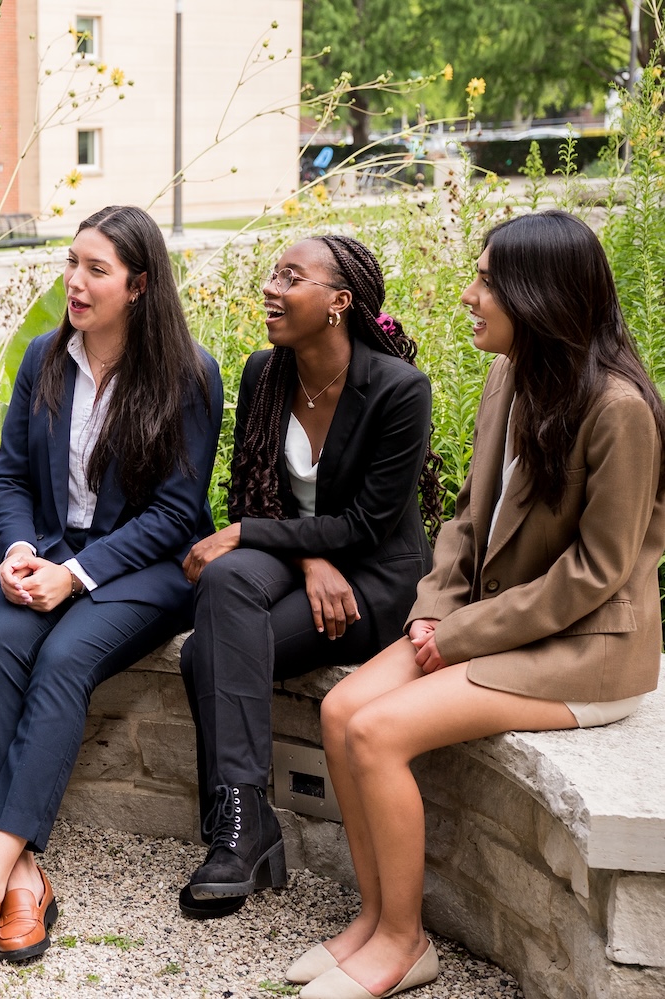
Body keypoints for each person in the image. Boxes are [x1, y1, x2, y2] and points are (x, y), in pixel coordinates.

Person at [297, 210, 665, 999]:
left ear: (539, 296)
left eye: (488, 281)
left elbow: (595, 573)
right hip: (488, 619)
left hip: (587, 649)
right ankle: (373, 917)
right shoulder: (512, 374)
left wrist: (461, 633)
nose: (469, 295)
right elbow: (467, 516)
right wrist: (434, 608)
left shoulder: (620, 409)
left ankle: (404, 942)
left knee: (379, 728)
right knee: (340, 712)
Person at [0, 205, 223, 972]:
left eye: (96, 269)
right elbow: (8, 477)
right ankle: (26, 876)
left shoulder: (187, 374)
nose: (75, 281)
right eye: (72, 262)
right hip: (51, 555)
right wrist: (19, 549)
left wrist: (74, 574)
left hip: (144, 570)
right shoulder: (43, 357)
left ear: (138, 284)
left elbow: (176, 511)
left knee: (65, 656)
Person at [176, 234, 441, 921]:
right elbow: (253, 498)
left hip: (374, 582)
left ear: (338, 303)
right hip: (304, 566)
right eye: (272, 272)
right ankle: (247, 814)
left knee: (208, 650)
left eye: (291, 276)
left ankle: (239, 832)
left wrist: (256, 537)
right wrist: (306, 557)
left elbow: (365, 527)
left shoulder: (399, 391)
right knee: (227, 583)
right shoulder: (265, 371)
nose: (271, 286)